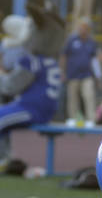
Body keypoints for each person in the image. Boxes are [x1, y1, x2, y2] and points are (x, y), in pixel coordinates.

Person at [0, 16, 61, 168]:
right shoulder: (50, 60)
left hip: (31, 109)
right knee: (3, 115)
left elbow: (10, 87)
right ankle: (5, 158)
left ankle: (3, 160)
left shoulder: (31, 61)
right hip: (42, 109)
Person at [60, 17, 102, 126]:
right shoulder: (72, 40)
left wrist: (98, 77)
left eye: (85, 27)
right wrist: (62, 71)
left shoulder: (91, 42)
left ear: (89, 29)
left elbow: (95, 61)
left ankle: (91, 119)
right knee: (72, 97)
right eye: (81, 27)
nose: (82, 29)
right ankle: (73, 118)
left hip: (87, 74)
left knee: (89, 95)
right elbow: (64, 56)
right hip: (73, 74)